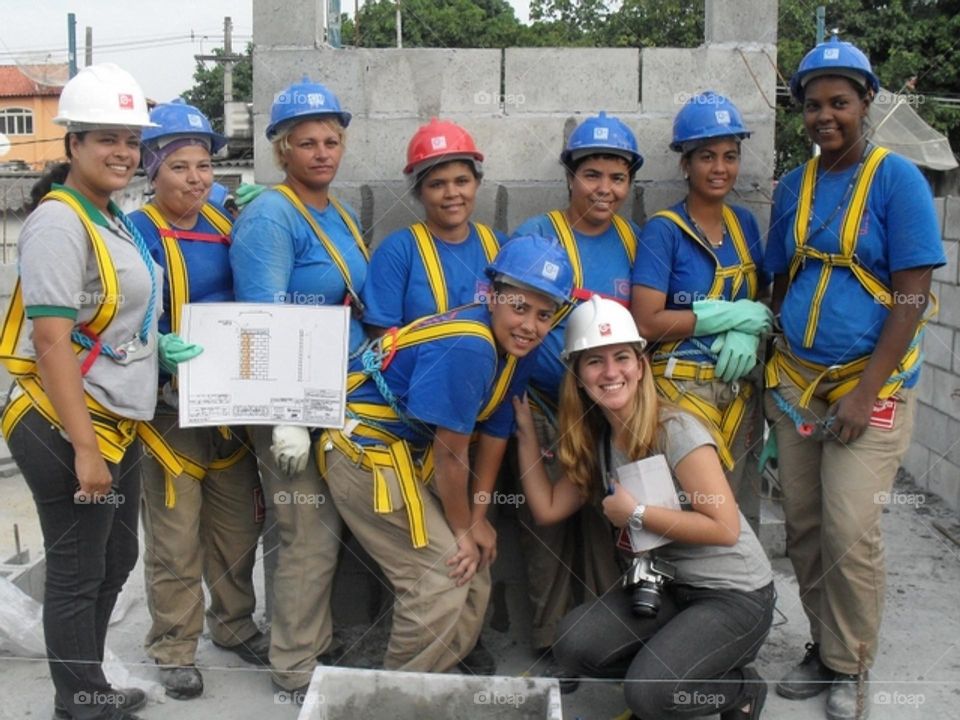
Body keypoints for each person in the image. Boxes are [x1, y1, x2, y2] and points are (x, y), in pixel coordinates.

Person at [0, 63, 199, 720]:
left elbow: (114, 315)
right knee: (79, 568)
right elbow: (53, 341)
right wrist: (85, 450)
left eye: (130, 140)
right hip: (67, 425)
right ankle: (81, 703)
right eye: (104, 138)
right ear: (72, 146)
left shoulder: (110, 216)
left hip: (116, 417)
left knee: (117, 553)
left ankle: (86, 687)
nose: (121, 151)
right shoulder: (59, 223)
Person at [764, 35, 945, 720]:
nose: (824, 116)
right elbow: (782, 272)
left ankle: (850, 666)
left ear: (866, 103)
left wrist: (867, 392)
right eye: (813, 106)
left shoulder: (894, 180)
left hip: (868, 390)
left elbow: (912, 292)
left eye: (839, 101)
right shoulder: (796, 185)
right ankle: (824, 646)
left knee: (849, 528)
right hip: (798, 383)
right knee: (806, 527)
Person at [319, 235, 573, 675]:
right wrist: (462, 527)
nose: (531, 325)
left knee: (475, 568)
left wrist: (477, 518)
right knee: (440, 577)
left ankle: (436, 685)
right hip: (364, 450)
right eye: (519, 307)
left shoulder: (519, 346)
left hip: (408, 455)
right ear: (491, 297)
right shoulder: (471, 345)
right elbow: (452, 454)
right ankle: (395, 698)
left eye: (544, 314)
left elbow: (495, 430)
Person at [514, 296, 774, 720]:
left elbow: (725, 528)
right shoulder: (599, 440)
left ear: (641, 366)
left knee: (649, 696)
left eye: (621, 357)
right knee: (575, 643)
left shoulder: (676, 430)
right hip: (670, 589)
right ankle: (672, 668)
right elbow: (546, 508)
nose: (611, 372)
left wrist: (637, 514)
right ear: (578, 376)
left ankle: (739, 688)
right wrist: (525, 434)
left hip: (735, 597)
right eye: (594, 362)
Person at [228, 77, 366, 698]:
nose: (320, 152)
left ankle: (311, 642)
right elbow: (265, 319)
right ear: (281, 150)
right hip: (294, 400)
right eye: (305, 142)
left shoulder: (336, 212)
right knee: (304, 535)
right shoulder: (270, 216)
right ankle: (295, 672)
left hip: (340, 392)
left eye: (330, 141)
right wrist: (286, 415)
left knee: (323, 531)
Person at [128, 99, 267, 700]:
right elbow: (108, 316)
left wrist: (265, 220)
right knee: (175, 536)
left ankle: (233, 626)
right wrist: (154, 346)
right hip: (168, 413)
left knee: (237, 530)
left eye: (204, 164)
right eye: (180, 166)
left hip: (230, 410)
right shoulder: (131, 231)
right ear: (152, 170)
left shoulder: (227, 223)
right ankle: (174, 646)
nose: (196, 178)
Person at [511, 111, 643, 653]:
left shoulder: (632, 242)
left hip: (605, 411)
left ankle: (597, 644)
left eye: (617, 177)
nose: (604, 189)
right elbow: (512, 320)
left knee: (604, 529)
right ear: (570, 177)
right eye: (592, 175)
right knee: (546, 536)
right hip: (544, 408)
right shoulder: (540, 235)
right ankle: (549, 645)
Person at [631, 91, 771, 526]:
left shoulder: (744, 224)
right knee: (689, 517)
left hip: (739, 395)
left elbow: (762, 297)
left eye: (730, 156)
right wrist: (722, 317)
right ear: (685, 163)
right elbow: (646, 320)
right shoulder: (664, 231)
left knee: (739, 516)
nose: (720, 168)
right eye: (707, 156)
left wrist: (749, 329)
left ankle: (738, 597)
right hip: (682, 396)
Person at [361, 118, 504, 334]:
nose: (452, 193)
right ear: (419, 192)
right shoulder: (398, 251)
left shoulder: (500, 247)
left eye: (462, 181)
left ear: (477, 182)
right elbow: (382, 336)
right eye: (437, 184)